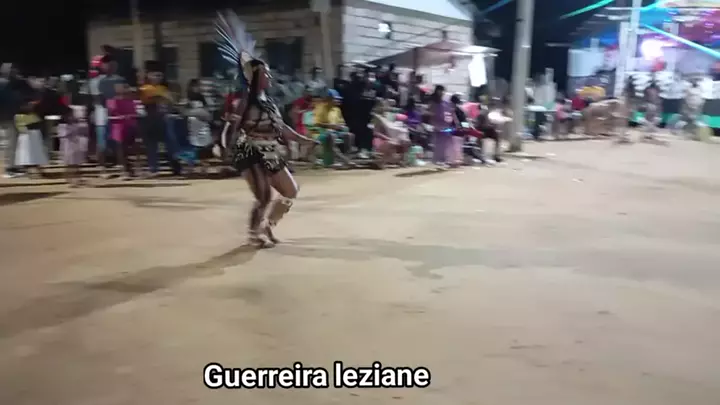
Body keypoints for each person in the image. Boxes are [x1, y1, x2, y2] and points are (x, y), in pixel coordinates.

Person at [216, 10, 318, 248]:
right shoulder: (244, 102)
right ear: (254, 77)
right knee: (264, 196)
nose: (270, 76)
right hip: (250, 151)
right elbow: (231, 127)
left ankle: (268, 225)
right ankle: (254, 234)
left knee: (290, 191)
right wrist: (225, 148)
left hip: (270, 151)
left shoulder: (269, 102)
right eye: (266, 73)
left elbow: (282, 128)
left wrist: (305, 140)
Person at [313, 89, 355, 167]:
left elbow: (342, 122)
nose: (337, 101)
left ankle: (346, 158)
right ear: (328, 99)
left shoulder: (337, 110)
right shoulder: (320, 108)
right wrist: (329, 126)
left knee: (349, 136)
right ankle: (338, 160)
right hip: (322, 132)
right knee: (332, 136)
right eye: (335, 99)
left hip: (336, 131)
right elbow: (316, 123)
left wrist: (341, 126)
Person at [108, 81, 138, 179]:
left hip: (130, 127)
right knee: (121, 149)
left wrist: (132, 116)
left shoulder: (131, 101)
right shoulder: (112, 101)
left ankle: (130, 169)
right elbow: (110, 114)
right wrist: (121, 117)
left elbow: (135, 112)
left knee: (128, 149)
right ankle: (125, 170)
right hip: (118, 128)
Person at [186, 78, 213, 174]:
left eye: (198, 86)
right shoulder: (188, 98)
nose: (196, 88)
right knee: (192, 146)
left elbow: (207, 111)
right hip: (192, 124)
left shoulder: (203, 98)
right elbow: (185, 111)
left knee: (204, 145)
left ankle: (204, 166)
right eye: (194, 86)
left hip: (202, 123)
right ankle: (190, 166)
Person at [59, 103, 88, 187]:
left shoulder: (75, 124)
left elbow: (82, 132)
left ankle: (77, 179)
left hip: (76, 146)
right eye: (70, 115)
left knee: (76, 164)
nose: (72, 116)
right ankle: (70, 180)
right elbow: (63, 135)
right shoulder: (62, 126)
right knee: (69, 164)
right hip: (67, 146)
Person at [427, 85, 455, 167]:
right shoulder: (433, 102)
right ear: (437, 91)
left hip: (444, 125)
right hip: (437, 125)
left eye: (443, 91)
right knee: (439, 143)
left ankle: (440, 160)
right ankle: (438, 160)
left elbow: (448, 113)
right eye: (440, 91)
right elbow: (431, 113)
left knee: (443, 143)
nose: (442, 92)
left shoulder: (444, 102)